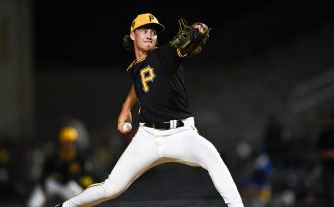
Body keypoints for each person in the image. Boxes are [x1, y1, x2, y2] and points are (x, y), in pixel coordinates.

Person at [56, 13, 244, 207]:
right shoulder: (135, 68)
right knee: (112, 187)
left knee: (211, 155)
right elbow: (139, 84)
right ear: (132, 35)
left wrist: (199, 28)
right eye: (144, 30)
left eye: (153, 32)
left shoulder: (166, 54)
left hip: (180, 133)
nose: (149, 35)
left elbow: (193, 35)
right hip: (148, 136)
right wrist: (125, 107)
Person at [28, 126, 94, 207]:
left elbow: (87, 175)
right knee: (33, 204)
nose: (69, 145)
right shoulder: (54, 156)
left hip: (68, 184)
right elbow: (43, 176)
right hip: (52, 183)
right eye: (67, 142)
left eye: (72, 142)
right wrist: (45, 191)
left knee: (85, 202)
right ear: (61, 142)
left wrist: (84, 184)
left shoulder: (79, 157)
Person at [316, 107, 334, 207]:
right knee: (332, 199)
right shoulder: (325, 134)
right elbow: (319, 152)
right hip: (330, 172)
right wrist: (331, 154)